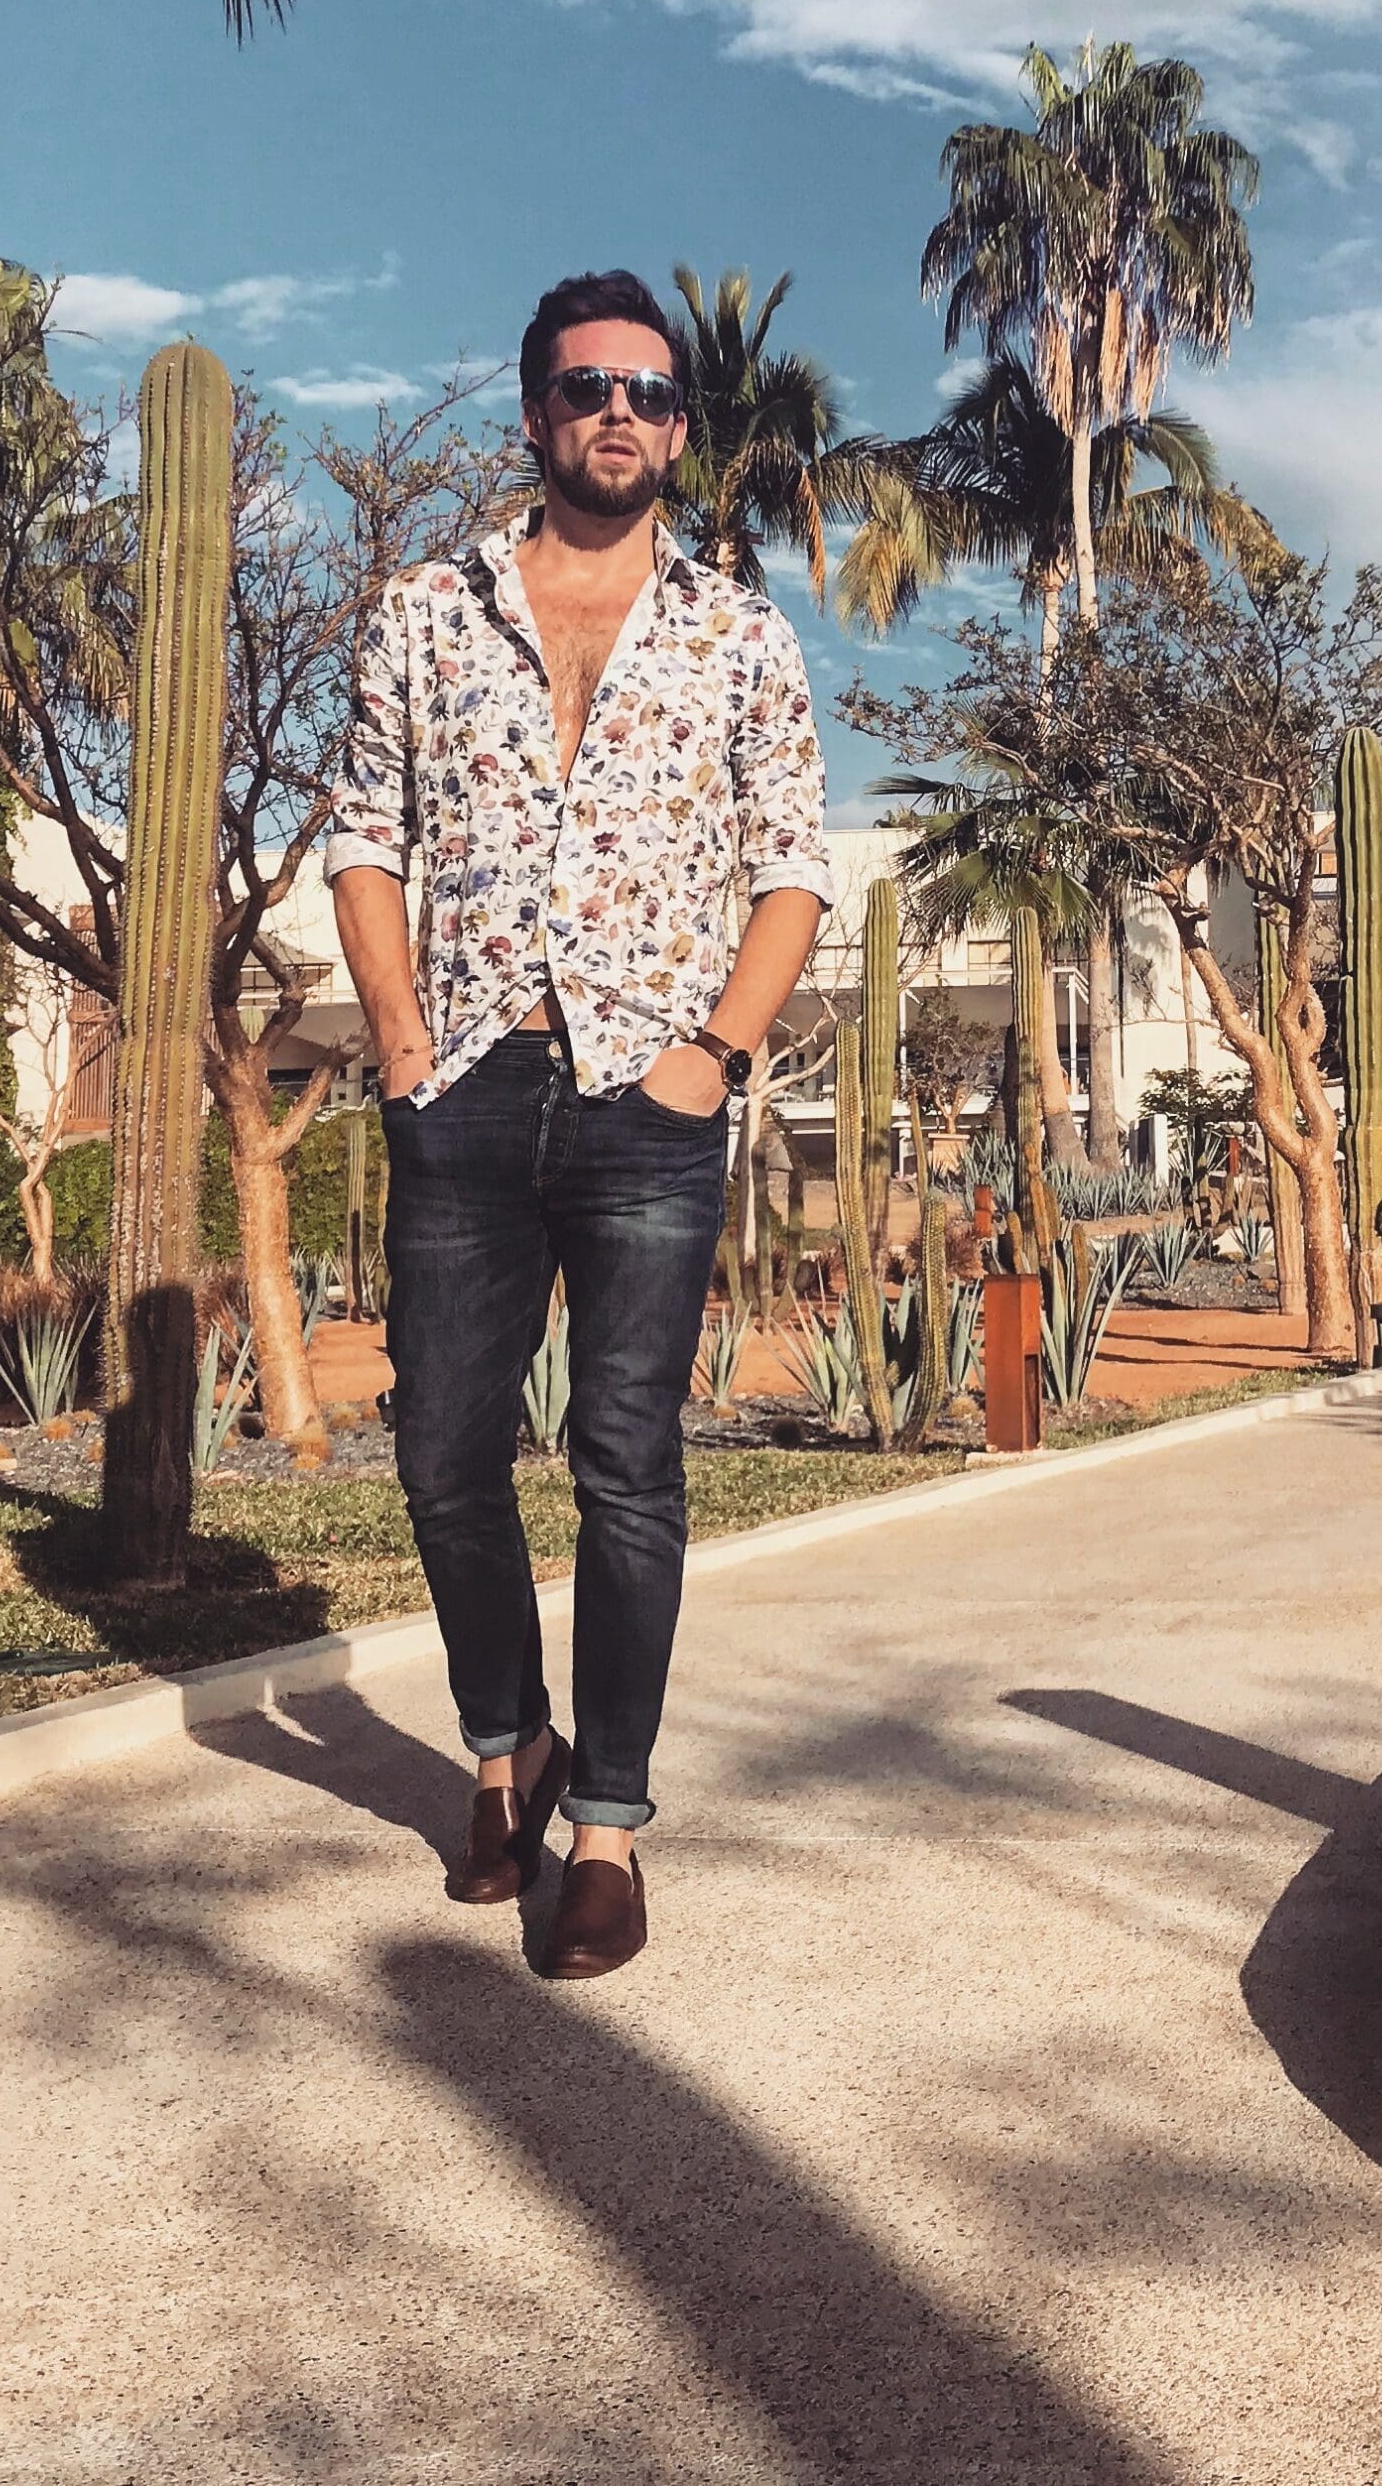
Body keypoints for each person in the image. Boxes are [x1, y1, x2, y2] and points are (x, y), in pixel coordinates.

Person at [326, 270, 831, 1981]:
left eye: (651, 394)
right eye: (590, 387)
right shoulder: (424, 611)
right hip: (465, 1079)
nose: (622, 413)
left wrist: (715, 1054)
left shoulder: (740, 636)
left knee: (627, 1463)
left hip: (648, 1098)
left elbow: (791, 867)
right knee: (440, 1452)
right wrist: (403, 1043)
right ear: (537, 411)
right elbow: (365, 838)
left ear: (679, 431)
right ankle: (508, 1745)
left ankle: (604, 1823)